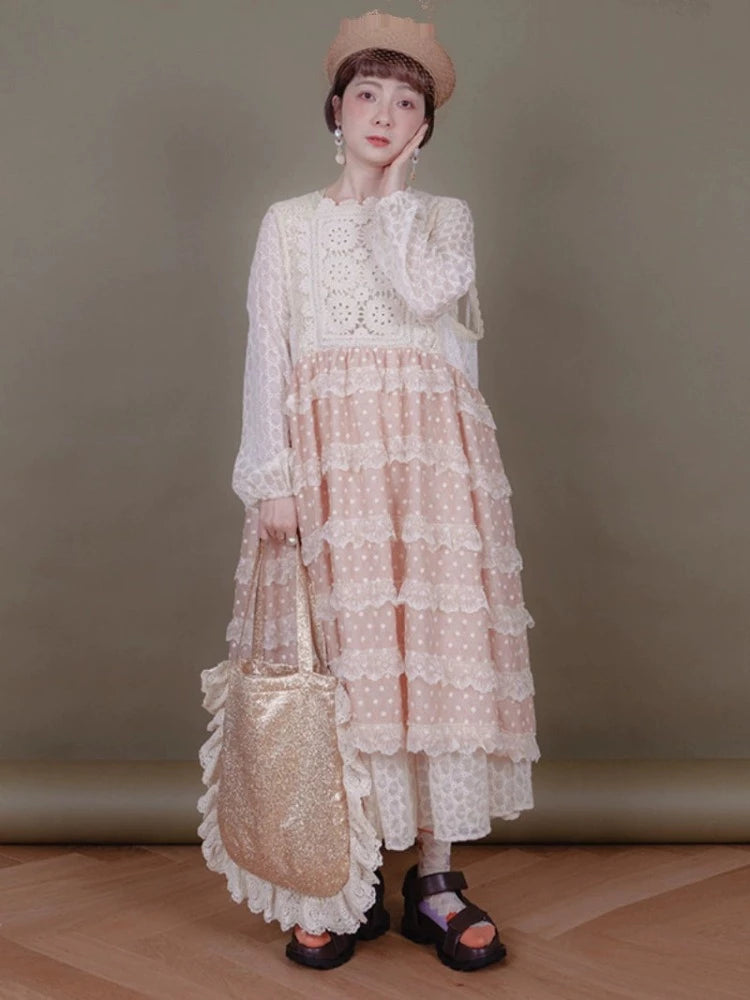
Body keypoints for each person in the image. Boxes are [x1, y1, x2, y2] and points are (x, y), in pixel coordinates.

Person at [198, 10, 539, 974]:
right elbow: (269, 351)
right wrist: (272, 477)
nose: (384, 115)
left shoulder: (442, 219)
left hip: (428, 468)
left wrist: (391, 198)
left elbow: (430, 304)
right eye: (367, 95)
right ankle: (336, 882)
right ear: (336, 110)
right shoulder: (289, 225)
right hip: (327, 466)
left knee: (431, 662)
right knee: (343, 673)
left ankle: (434, 880)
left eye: (406, 104)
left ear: (424, 127)